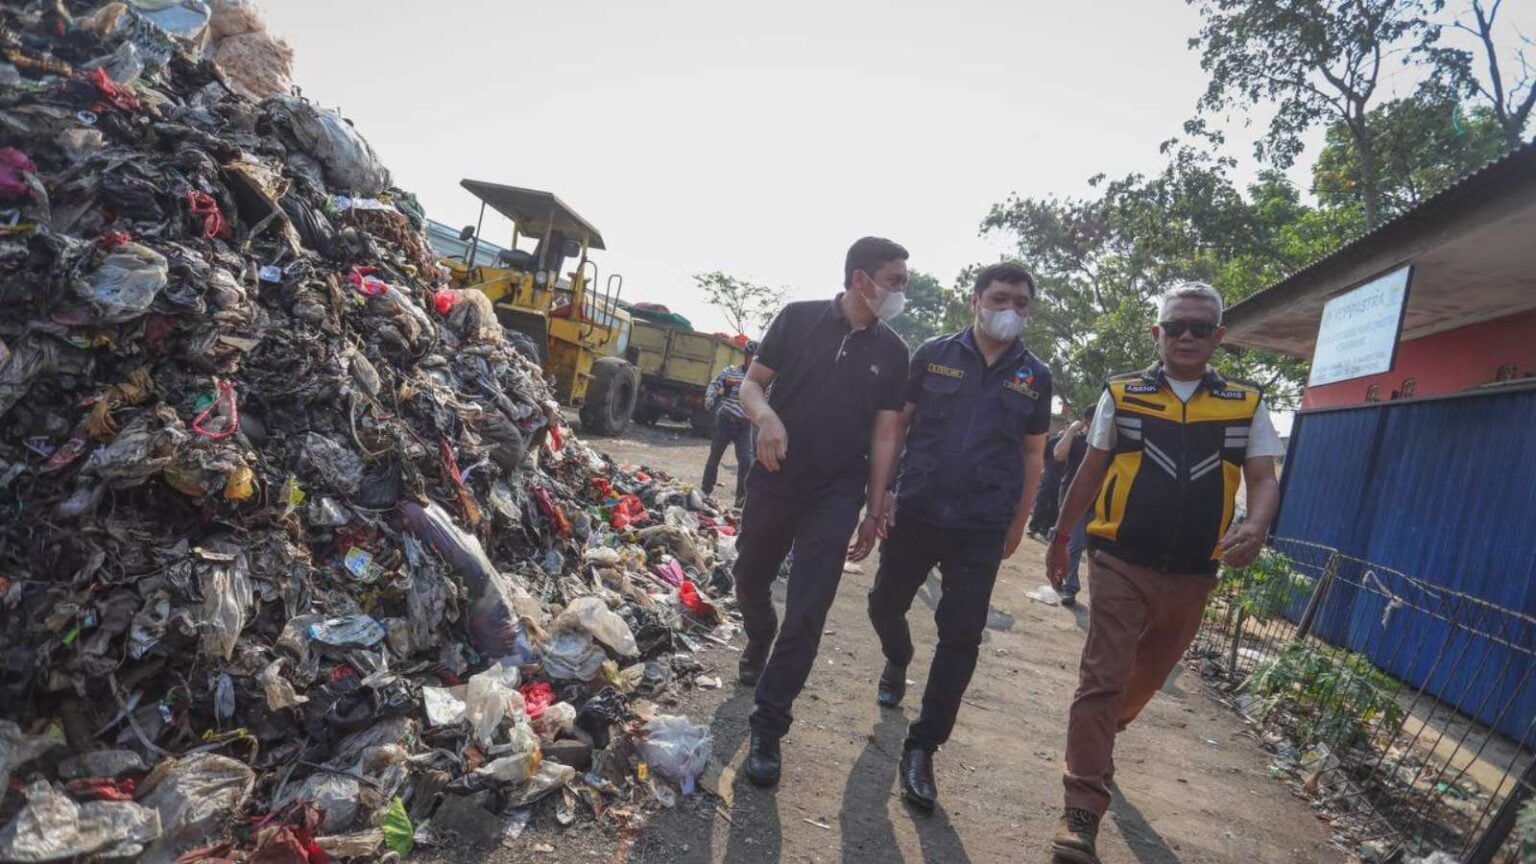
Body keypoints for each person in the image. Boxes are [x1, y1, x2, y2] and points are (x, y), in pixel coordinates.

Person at [1045, 281, 1283, 863]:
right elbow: (1091, 470)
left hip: (1194, 573)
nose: (1185, 336)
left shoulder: (1244, 404)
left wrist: (1256, 526)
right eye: (1175, 325)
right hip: (1119, 559)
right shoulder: (1123, 394)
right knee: (1102, 676)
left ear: (1217, 337)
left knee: (1145, 678)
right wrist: (1060, 536)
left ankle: (1107, 736)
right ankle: (1081, 811)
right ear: (1157, 332)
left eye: (1199, 327)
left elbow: (1264, 478)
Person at [865, 262, 1051, 812]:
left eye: (1021, 303)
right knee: (883, 605)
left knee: (962, 636)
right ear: (975, 300)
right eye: (1000, 298)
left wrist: (1018, 523)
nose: (1010, 310)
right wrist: (882, 495)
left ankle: (922, 749)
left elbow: (1034, 453)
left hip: (981, 525)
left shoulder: (1035, 375)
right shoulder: (933, 354)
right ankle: (897, 657)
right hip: (916, 511)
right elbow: (897, 425)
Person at [734, 236, 912, 788]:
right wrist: (765, 418)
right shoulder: (798, 319)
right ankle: (759, 634)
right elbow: (750, 386)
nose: (901, 293)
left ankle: (769, 726)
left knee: (809, 609)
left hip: (836, 492)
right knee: (748, 578)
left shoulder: (893, 351)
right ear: (862, 280)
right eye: (896, 281)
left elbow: (887, 434)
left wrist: (872, 507)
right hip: (775, 475)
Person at [1048, 404, 1095, 607]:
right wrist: (1070, 430)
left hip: (1098, 502)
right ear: (1086, 422)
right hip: (1072, 498)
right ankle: (1070, 588)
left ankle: (1058, 570)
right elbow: (1058, 454)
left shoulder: (1110, 443)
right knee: (1074, 544)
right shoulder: (1077, 441)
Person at [701, 341, 757, 507]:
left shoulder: (760, 380)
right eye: (750, 357)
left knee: (746, 460)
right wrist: (709, 397)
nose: (752, 361)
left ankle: (741, 498)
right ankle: (705, 490)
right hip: (725, 420)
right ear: (745, 356)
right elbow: (715, 384)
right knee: (715, 456)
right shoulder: (731, 372)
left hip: (745, 424)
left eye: (755, 358)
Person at [1027, 429, 1065, 538]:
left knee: (1055, 505)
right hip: (1050, 473)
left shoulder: (1073, 443)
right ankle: (1034, 527)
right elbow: (1043, 455)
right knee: (1041, 500)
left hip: (1062, 476)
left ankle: (1046, 530)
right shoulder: (1054, 441)